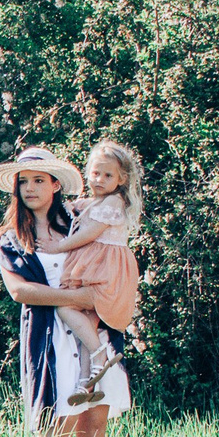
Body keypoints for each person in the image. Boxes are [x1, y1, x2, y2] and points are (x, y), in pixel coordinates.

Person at [0, 148, 131, 437]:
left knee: (95, 419)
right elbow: (21, 292)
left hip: (93, 329)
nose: (30, 188)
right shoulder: (10, 238)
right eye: (23, 182)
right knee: (60, 421)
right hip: (49, 336)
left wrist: (102, 300)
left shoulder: (79, 222)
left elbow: (111, 258)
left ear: (55, 185)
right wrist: (77, 297)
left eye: (39, 180)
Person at [51, 140, 144, 407]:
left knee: (64, 307)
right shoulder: (97, 202)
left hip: (106, 275)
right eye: (95, 173)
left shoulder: (114, 201)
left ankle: (99, 353)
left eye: (107, 175)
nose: (99, 180)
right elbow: (78, 209)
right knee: (86, 327)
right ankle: (87, 383)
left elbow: (88, 234)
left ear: (121, 179)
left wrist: (58, 247)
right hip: (95, 272)